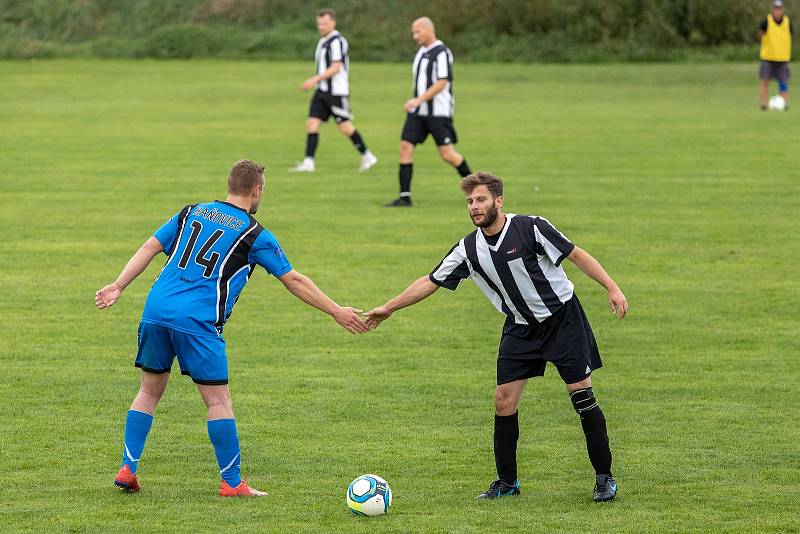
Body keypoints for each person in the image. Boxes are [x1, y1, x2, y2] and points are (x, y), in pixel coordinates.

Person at [96, 160, 369, 497]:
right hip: (197, 321)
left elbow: (149, 247)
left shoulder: (190, 212)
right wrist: (336, 311)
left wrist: (119, 285)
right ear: (256, 191)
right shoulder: (255, 234)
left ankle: (128, 467)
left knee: (149, 392)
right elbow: (294, 281)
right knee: (218, 401)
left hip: (155, 310)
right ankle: (232, 482)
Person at [366, 172, 628, 501]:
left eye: (480, 200)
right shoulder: (468, 248)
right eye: (470, 202)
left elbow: (576, 255)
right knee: (503, 402)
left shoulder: (531, 227)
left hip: (563, 321)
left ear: (498, 201)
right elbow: (431, 280)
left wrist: (612, 288)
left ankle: (604, 477)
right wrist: (388, 308)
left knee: (582, 398)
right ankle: (507, 483)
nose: (474, 207)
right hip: (520, 328)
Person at [385, 17, 472, 207]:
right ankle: (404, 197)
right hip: (418, 113)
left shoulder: (442, 52)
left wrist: (418, 99)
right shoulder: (421, 52)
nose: (415, 36)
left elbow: (442, 82)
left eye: (417, 32)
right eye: (413, 33)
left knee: (448, 154)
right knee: (405, 147)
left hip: (438, 112)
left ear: (428, 30)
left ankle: (478, 189)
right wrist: (418, 103)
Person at [291, 8, 378, 172]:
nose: (321, 26)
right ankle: (309, 162)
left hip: (336, 93)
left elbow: (337, 67)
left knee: (345, 127)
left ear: (333, 22)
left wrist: (314, 79)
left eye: (325, 23)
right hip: (321, 91)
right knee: (312, 123)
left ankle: (367, 156)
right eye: (319, 24)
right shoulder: (323, 41)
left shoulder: (337, 41)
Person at [759, 0, 792, 110]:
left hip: (783, 58)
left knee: (783, 82)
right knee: (765, 81)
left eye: (780, 9)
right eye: (776, 9)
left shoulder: (787, 21)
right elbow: (760, 35)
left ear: (782, 9)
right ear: (773, 9)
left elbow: (790, 36)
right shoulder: (766, 21)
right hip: (768, 57)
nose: (778, 11)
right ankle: (763, 105)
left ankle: (784, 104)